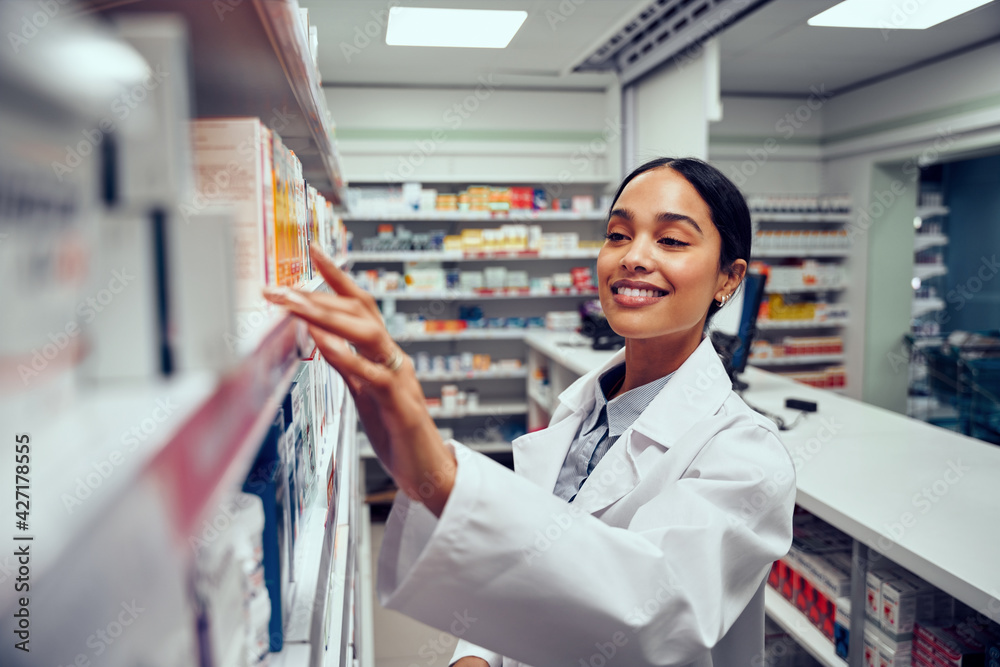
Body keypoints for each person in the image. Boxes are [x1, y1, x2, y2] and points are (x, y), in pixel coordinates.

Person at [263, 157, 796, 667]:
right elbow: (529, 566)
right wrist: (473, 655)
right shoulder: (580, 412)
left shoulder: (744, 455)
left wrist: (439, 475)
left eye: (671, 239)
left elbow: (652, 615)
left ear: (728, 279)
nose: (633, 256)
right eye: (617, 234)